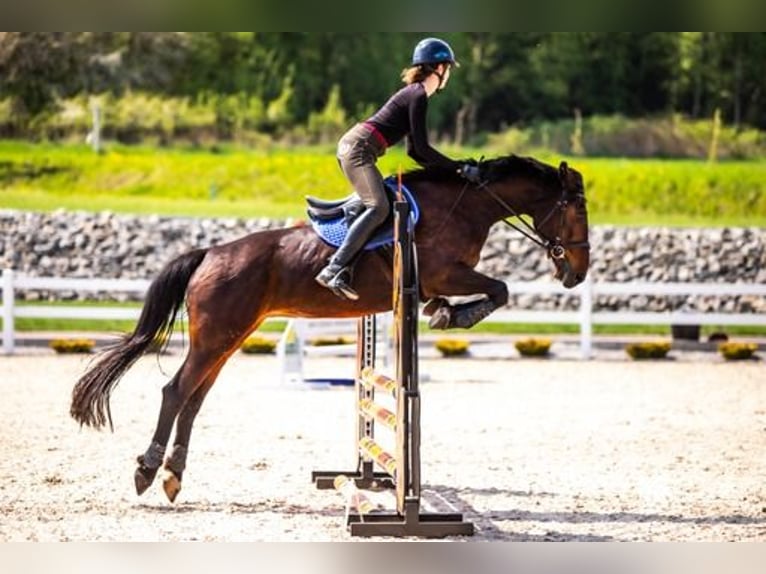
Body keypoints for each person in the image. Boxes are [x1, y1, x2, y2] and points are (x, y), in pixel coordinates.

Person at [315, 37, 481, 300]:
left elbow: (415, 151)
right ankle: (334, 268)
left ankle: (348, 263)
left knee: (381, 204)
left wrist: (453, 171)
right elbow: (424, 150)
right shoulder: (417, 95)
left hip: (358, 149)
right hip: (357, 149)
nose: (448, 74)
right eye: (448, 68)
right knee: (379, 207)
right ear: (438, 68)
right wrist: (458, 168)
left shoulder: (415, 95)